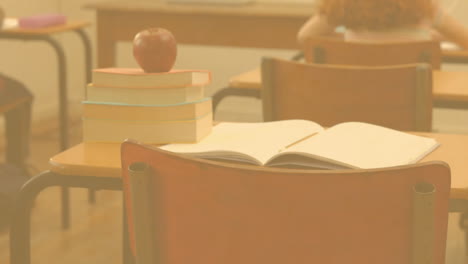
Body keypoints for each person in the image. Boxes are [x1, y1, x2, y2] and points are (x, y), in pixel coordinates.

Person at [297, 0, 468, 49]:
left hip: (351, 111)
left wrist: (346, 39)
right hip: (408, 112)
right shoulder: (423, 7)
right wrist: (431, 39)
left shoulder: (342, 4)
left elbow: (304, 37)